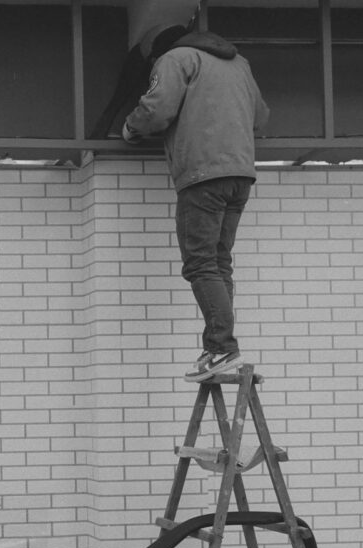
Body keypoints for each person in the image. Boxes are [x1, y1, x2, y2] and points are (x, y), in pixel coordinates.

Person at [122, 24, 270, 382]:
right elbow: (261, 116)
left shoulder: (175, 59)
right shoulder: (239, 65)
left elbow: (157, 110)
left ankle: (222, 348)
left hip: (202, 174)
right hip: (240, 174)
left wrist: (130, 128)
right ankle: (219, 348)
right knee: (219, 263)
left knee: (200, 264)